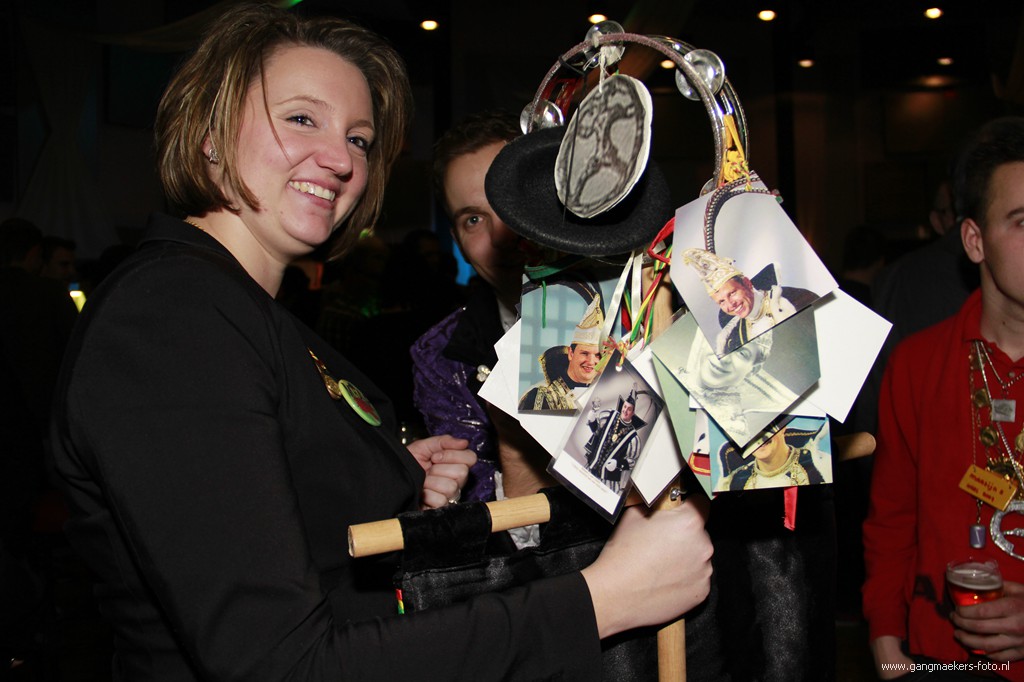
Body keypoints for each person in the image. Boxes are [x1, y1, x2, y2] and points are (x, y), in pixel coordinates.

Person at [49, 5, 714, 680]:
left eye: (360, 139)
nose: (340, 159)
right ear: (209, 134)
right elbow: (280, 664)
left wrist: (379, 475)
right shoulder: (173, 313)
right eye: (301, 118)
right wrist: (601, 600)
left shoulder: (247, 312)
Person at [863, 117, 1024, 680]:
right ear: (974, 241)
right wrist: (887, 646)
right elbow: (891, 522)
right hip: (941, 661)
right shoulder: (918, 365)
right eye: (1022, 221)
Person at [411, 110, 556, 502]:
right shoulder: (442, 358)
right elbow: (481, 513)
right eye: (474, 219)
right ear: (457, 241)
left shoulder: (637, 302)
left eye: (514, 203)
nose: (501, 236)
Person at [681, 248, 818, 355]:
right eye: (721, 302)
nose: (730, 305)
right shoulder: (733, 337)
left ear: (747, 283)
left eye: (732, 293)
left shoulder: (795, 299)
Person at [518, 295, 604, 411]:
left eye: (597, 355)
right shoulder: (542, 396)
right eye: (584, 353)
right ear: (571, 353)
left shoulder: (603, 394)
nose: (591, 361)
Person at [718, 424, 826, 491]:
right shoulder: (736, 482)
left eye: (764, 426)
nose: (757, 439)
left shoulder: (820, 466)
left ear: (782, 427)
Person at [584, 391, 646, 492]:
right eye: (625, 407)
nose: (625, 410)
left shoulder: (633, 438)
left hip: (608, 481)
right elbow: (597, 432)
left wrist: (617, 463)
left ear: (633, 413)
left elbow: (631, 462)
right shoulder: (609, 415)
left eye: (629, 409)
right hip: (591, 468)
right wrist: (592, 421)